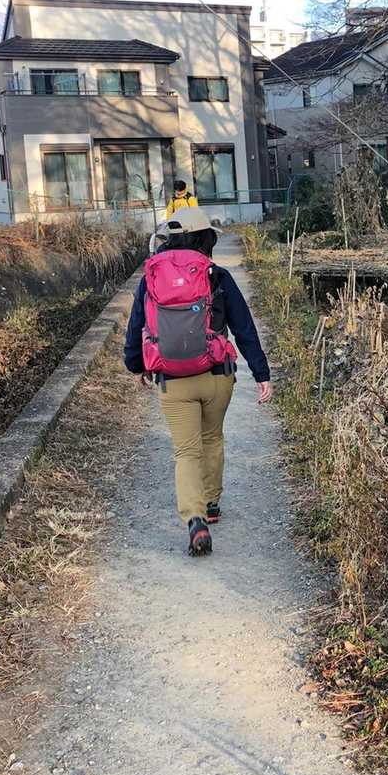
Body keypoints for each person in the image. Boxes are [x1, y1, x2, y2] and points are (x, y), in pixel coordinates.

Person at [123, 207, 273, 556]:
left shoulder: (151, 277)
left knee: (186, 451)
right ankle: (212, 503)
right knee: (212, 438)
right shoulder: (217, 275)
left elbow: (135, 329)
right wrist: (261, 374)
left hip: (172, 379)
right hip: (216, 376)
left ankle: (195, 519)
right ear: (206, 239)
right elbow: (244, 328)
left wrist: (137, 366)